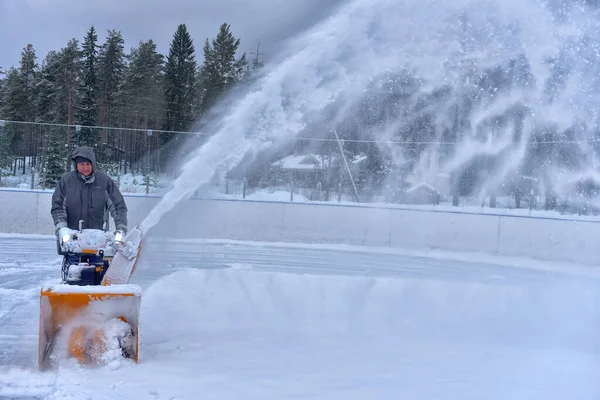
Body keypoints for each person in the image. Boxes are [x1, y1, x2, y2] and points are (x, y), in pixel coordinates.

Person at [51, 146, 128, 238]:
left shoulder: (105, 182)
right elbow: (58, 206)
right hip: (72, 237)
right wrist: (61, 227)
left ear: (93, 164)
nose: (85, 167)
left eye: (88, 164)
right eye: (82, 164)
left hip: (100, 238)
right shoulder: (66, 182)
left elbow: (118, 206)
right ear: (76, 165)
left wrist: (121, 228)